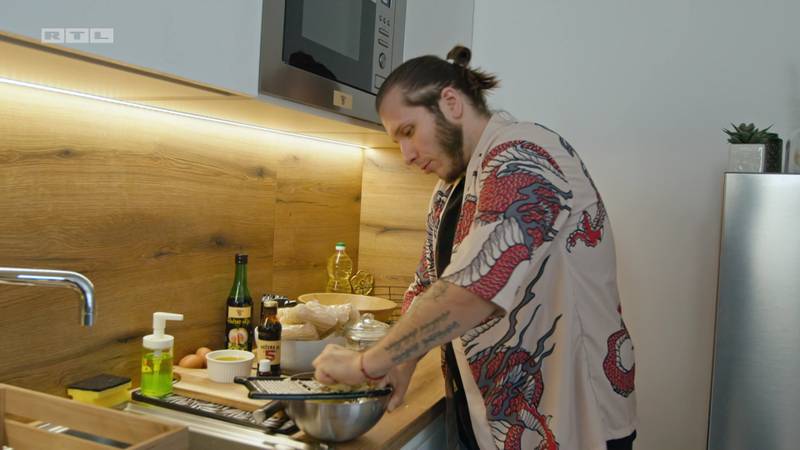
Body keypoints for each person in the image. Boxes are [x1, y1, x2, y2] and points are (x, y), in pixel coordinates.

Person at [313, 45, 637, 450]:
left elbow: (478, 286)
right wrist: (404, 362)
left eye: (408, 132)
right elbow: (427, 287)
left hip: (572, 422)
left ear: (450, 103)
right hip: (490, 418)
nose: (406, 155)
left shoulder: (526, 154)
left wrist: (369, 362)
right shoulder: (448, 190)